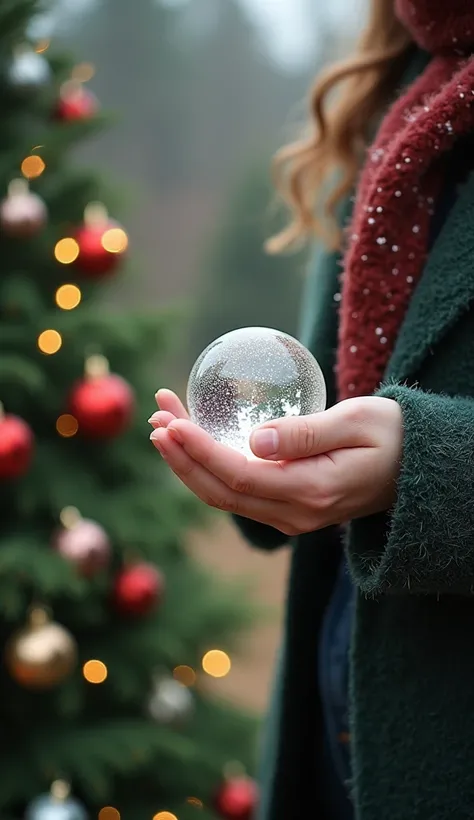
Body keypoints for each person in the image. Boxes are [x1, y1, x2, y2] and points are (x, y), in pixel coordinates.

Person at [148, 1, 474, 818]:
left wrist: (428, 468)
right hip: (340, 725)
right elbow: (340, 370)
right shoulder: (394, 86)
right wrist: (282, 469)